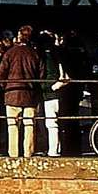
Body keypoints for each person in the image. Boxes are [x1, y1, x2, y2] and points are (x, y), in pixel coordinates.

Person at [0, 24, 43, 158]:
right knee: (29, 125)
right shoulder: (34, 54)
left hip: (12, 92)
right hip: (29, 94)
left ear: (19, 37)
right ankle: (28, 153)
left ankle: (13, 154)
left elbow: (1, 72)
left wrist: (5, 86)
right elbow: (41, 74)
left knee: (12, 125)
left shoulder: (10, 53)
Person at [36, 27, 69, 156]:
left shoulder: (45, 56)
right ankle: (58, 149)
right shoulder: (59, 53)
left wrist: (48, 86)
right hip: (57, 90)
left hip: (49, 92)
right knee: (57, 122)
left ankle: (53, 150)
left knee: (51, 123)